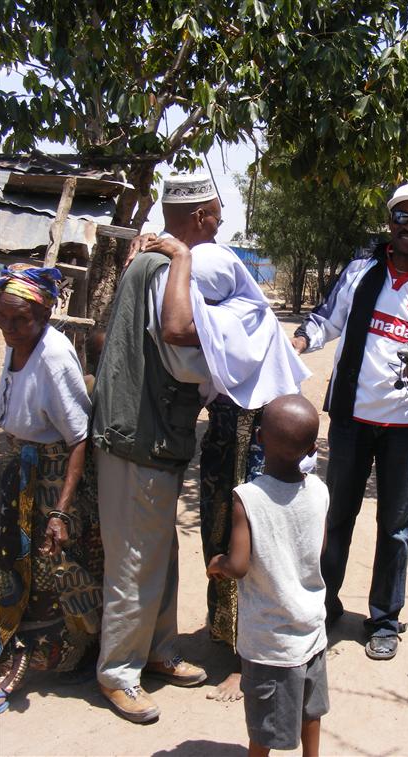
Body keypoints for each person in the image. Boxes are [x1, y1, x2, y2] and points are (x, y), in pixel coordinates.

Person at [94, 174, 309, 721]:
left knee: (158, 551)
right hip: (136, 434)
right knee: (135, 558)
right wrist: (235, 336)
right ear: (200, 218)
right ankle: (119, 671)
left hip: (157, 434)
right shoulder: (170, 270)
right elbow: (180, 341)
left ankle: (159, 651)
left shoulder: (162, 264)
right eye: (215, 215)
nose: (218, 223)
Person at [292, 182, 408, 661]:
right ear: (390, 222)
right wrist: (299, 344)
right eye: (402, 218)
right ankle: (323, 607)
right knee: (337, 516)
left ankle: (384, 619)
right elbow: (326, 320)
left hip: (404, 427)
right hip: (351, 420)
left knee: (395, 525)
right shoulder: (361, 272)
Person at [0, 264, 102, 715]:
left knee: (53, 568)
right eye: (2, 317)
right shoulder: (16, 343)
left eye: (19, 319)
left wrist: (60, 512)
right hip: (23, 468)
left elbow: (79, 438)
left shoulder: (54, 354)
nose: (8, 327)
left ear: (42, 315)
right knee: (14, 564)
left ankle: (56, 657)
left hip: (56, 475)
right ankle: (22, 649)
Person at [207, 394, 329, 757]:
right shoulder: (320, 490)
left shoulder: (248, 497)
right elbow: (319, 550)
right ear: (311, 448)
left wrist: (218, 563)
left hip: (269, 642)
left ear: (259, 438)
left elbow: (239, 565)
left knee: (264, 726)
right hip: (311, 629)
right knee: (311, 710)